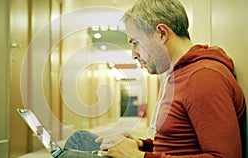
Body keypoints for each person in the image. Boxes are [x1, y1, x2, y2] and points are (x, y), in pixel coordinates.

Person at [62, 0, 247, 157]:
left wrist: (138, 156)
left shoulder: (203, 77)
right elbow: (176, 143)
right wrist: (142, 145)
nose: (133, 54)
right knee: (80, 139)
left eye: (135, 42)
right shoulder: (178, 75)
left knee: (75, 146)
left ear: (161, 33)